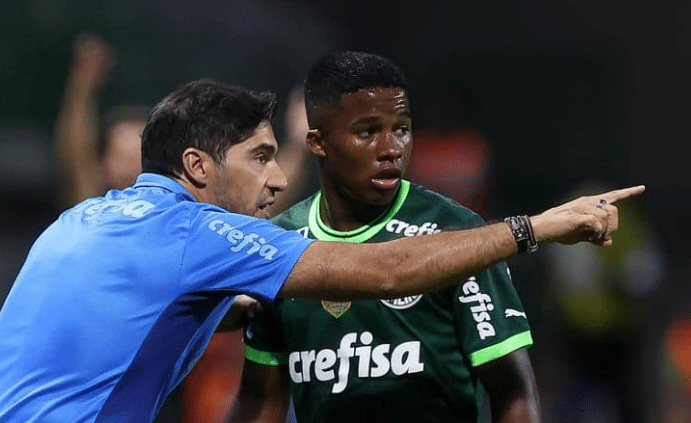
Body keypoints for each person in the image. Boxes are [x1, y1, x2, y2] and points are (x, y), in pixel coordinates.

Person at [0, 78, 640, 423]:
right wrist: (533, 229)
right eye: (260, 157)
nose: (278, 180)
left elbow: (129, 325)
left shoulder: (81, 219)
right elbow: (385, 270)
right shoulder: (191, 235)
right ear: (197, 166)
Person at [227, 51, 538, 423]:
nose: (391, 149)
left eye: (402, 129)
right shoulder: (279, 245)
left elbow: (513, 391)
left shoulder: (459, 235)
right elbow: (260, 403)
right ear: (317, 142)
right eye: (368, 132)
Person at [54, 32, 149, 207]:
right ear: (102, 164)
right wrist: (83, 86)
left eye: (139, 156)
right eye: (121, 156)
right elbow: (78, 158)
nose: (130, 166)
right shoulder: (92, 209)